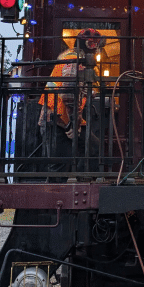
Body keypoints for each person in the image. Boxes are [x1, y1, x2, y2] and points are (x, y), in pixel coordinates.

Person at [38, 29, 105, 178]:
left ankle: (80, 182)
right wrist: (73, 124)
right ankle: (75, 187)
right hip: (58, 117)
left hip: (59, 117)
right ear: (90, 45)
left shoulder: (70, 57)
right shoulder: (76, 59)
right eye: (96, 45)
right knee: (61, 164)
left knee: (87, 150)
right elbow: (68, 92)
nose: (97, 49)